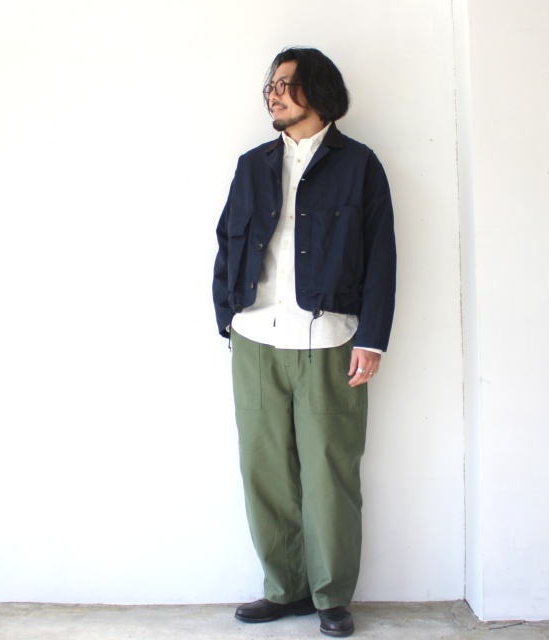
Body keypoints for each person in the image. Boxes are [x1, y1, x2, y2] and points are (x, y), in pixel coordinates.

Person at [212, 47, 396, 638]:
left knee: (329, 473)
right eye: (271, 83)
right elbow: (226, 241)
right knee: (263, 470)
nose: (273, 92)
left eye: (285, 83)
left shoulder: (359, 165)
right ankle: (284, 588)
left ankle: (330, 596)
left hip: (331, 342)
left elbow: (382, 258)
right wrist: (225, 318)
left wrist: (372, 339)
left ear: (318, 90)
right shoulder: (252, 165)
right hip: (254, 338)